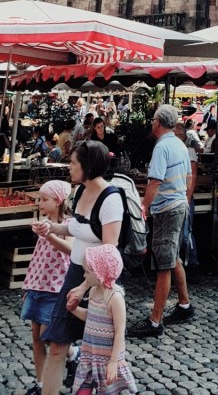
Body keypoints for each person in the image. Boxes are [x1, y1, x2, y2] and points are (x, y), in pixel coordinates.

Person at [36, 141, 124, 395]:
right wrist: (51, 228)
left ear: (88, 165)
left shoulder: (111, 198)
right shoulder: (80, 192)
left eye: (73, 162)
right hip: (75, 274)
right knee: (56, 345)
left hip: (97, 283)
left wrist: (85, 285)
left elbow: (109, 250)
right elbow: (76, 229)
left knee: (98, 351)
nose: (69, 167)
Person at [127, 104, 194, 337]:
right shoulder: (180, 144)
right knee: (172, 257)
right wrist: (183, 201)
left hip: (166, 208)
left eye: (153, 119)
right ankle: (184, 304)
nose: (151, 123)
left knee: (163, 264)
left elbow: (155, 181)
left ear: (158, 122)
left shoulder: (162, 147)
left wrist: (143, 206)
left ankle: (155, 321)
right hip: (178, 205)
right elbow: (188, 178)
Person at [20, 180, 73, 395]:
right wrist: (27, 285)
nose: (39, 202)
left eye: (44, 199)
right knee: (36, 336)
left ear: (58, 201)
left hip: (56, 287)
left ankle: (74, 354)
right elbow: (37, 258)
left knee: (47, 335)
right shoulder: (43, 222)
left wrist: (49, 235)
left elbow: (71, 250)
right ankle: (41, 383)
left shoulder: (68, 224)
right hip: (37, 286)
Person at [70, 244, 137, 395]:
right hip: (90, 355)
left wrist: (113, 362)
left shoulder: (115, 297)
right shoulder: (94, 290)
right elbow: (91, 317)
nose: (84, 276)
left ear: (100, 273)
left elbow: (120, 331)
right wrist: (73, 309)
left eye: (87, 272)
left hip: (107, 359)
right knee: (81, 391)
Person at [174, 120, 200, 283]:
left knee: (185, 234)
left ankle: (193, 265)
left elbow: (193, 175)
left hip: (184, 196)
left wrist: (188, 196)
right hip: (175, 195)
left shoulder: (189, 151)